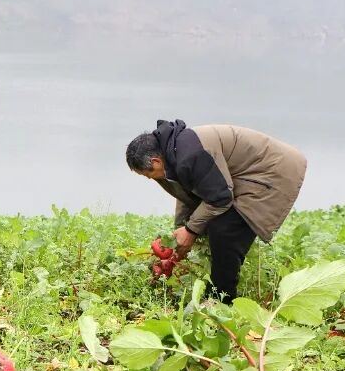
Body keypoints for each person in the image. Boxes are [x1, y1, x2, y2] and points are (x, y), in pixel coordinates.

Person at [126, 119, 306, 301]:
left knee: (225, 230)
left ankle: (220, 301)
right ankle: (218, 291)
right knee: (207, 222)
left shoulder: (190, 155)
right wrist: (178, 239)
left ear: (156, 161)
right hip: (241, 175)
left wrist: (190, 231)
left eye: (148, 174)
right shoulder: (171, 154)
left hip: (272, 172)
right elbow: (187, 196)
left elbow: (220, 198)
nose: (149, 179)